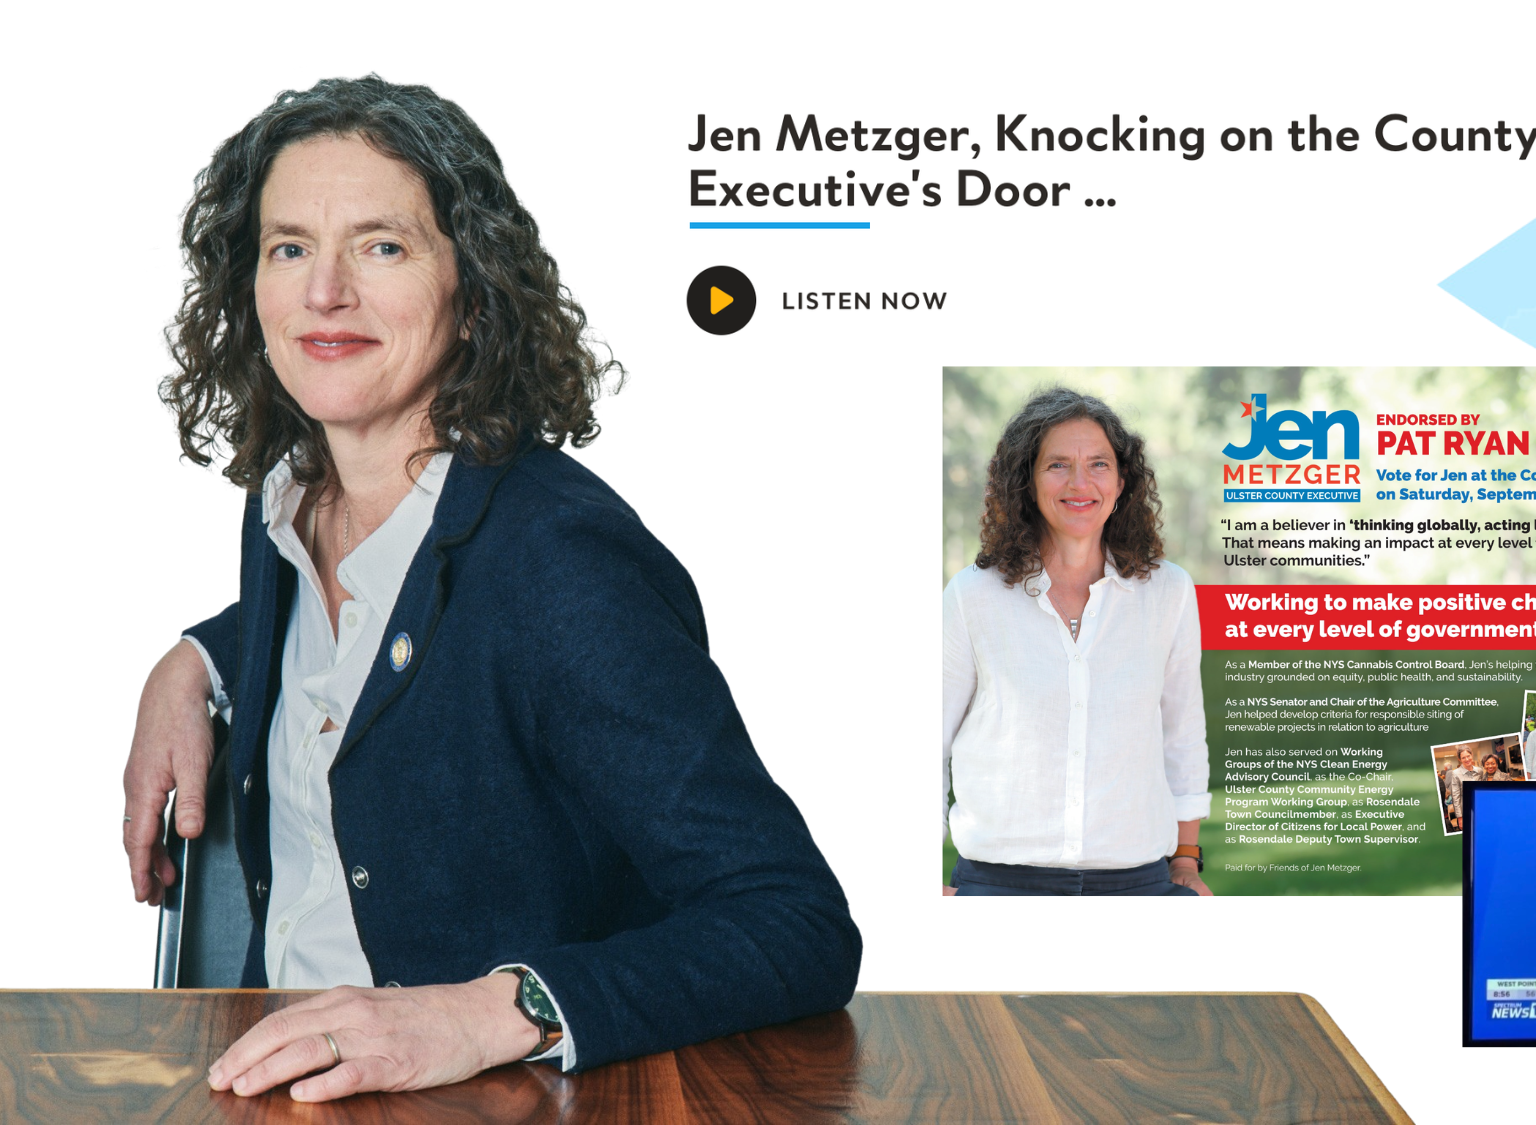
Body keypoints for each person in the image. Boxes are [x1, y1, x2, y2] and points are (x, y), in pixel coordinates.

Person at [123, 77, 859, 1102]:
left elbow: (791, 920)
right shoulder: (288, 505)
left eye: (382, 246)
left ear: (473, 293)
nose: (324, 291)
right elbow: (388, 623)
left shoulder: (564, 561)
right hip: (268, 1089)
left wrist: (489, 1010)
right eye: (289, 247)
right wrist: (198, 658)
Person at [943, 388, 1211, 897]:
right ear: (1026, 481)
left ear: (1122, 481)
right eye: (1058, 465)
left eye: (1098, 464)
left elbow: (1182, 735)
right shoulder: (972, 596)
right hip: (998, 887)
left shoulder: (1169, 592)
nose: (1079, 482)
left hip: (1139, 888)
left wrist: (1186, 861)